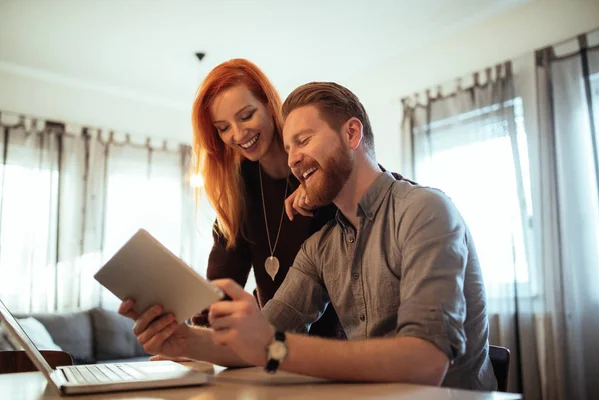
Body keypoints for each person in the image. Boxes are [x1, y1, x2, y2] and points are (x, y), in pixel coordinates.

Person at [119, 82, 496, 390]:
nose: (293, 159)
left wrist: (272, 347)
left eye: (303, 141)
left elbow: (425, 364)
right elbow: (263, 333)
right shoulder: (321, 247)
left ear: (351, 133)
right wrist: (182, 339)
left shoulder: (425, 210)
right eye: (288, 148)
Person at [188, 58, 343, 338]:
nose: (237, 135)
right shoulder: (240, 187)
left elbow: (375, 187)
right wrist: (192, 341)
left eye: (246, 116)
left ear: (270, 106)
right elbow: (221, 285)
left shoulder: (321, 165)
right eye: (223, 128)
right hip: (278, 350)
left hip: (340, 347)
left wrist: (321, 185)